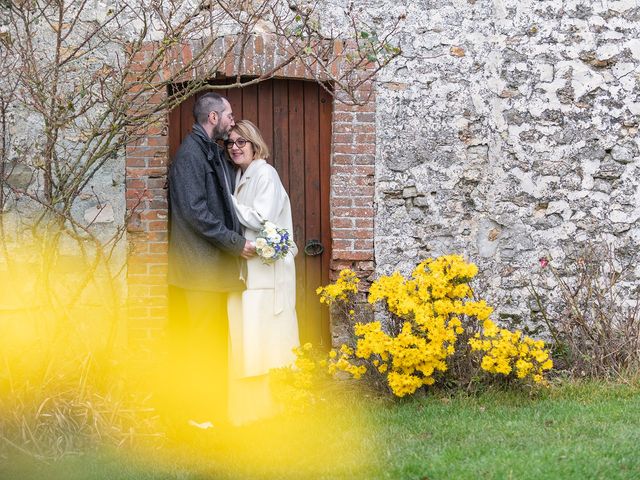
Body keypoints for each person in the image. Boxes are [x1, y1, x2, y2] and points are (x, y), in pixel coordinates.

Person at [166, 92, 255, 428]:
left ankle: (212, 413)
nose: (233, 120)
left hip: (210, 271)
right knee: (201, 344)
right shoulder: (190, 155)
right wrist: (235, 243)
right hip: (197, 272)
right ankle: (197, 416)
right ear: (214, 117)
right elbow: (196, 213)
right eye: (229, 115)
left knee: (214, 342)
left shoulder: (210, 151)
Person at [225, 120, 300, 425]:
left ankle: (271, 413)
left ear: (255, 145)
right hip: (250, 273)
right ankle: (249, 413)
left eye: (241, 142)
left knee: (267, 342)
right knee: (248, 341)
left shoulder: (265, 173)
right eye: (230, 143)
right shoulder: (242, 175)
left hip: (267, 274)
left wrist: (224, 200)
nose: (235, 147)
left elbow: (260, 217)